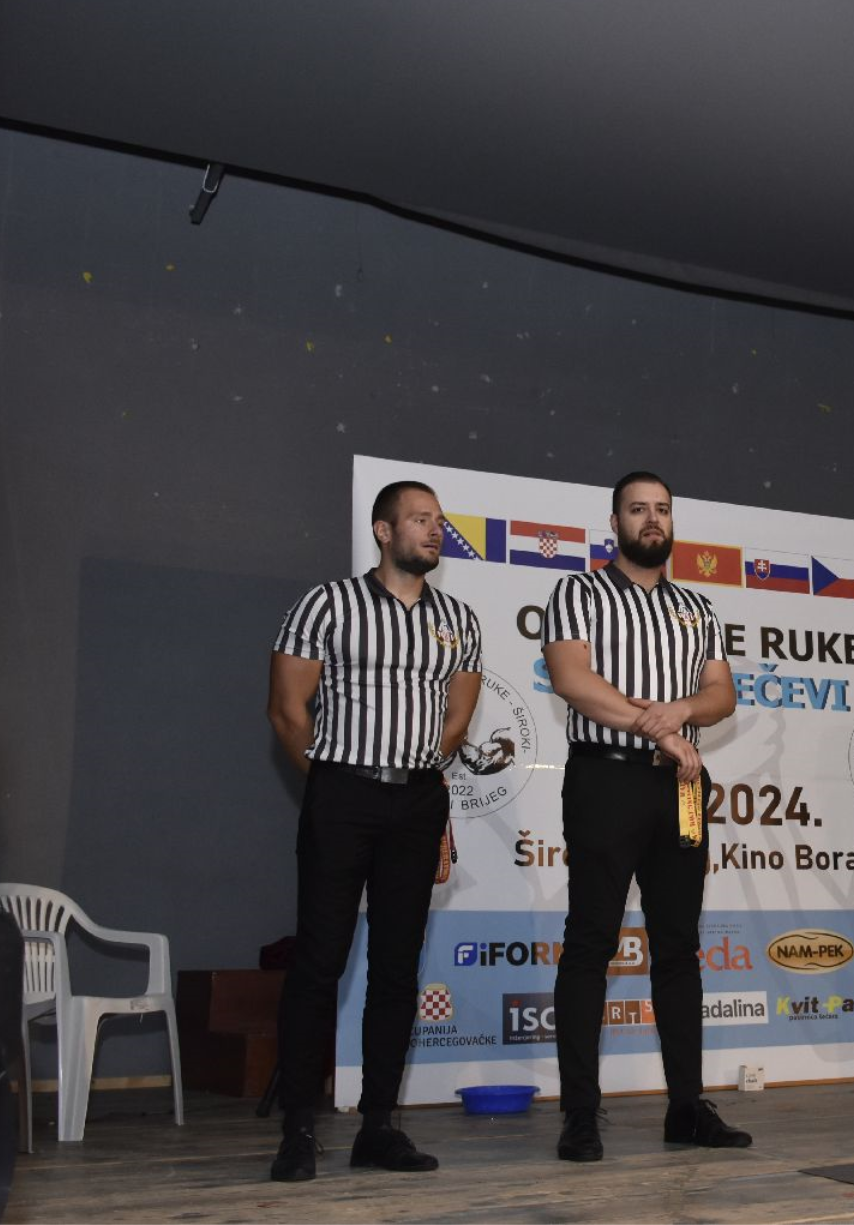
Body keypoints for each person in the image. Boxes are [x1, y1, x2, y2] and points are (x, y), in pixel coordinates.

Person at [265, 480, 483, 1182]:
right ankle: (299, 1128)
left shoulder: (458, 620)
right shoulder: (327, 604)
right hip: (342, 795)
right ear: (384, 531)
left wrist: (410, 777)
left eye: (438, 521)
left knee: (396, 966)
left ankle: (378, 1126)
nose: (435, 530)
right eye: (419, 520)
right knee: (319, 960)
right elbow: (288, 710)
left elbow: (457, 720)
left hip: (416, 803)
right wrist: (338, 779)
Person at [541, 471, 749, 1162]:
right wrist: (657, 727)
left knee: (679, 947)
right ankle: (579, 1114)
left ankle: (686, 1107)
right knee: (591, 941)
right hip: (606, 778)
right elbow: (572, 679)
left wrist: (682, 713)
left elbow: (720, 693)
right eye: (638, 509)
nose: (652, 519)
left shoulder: (697, 606)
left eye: (662, 509)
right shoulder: (578, 592)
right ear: (615, 523)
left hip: (680, 784)